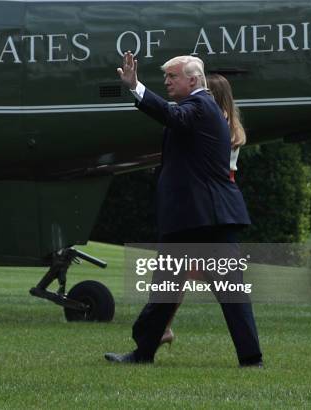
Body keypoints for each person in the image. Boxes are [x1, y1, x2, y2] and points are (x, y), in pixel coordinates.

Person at [104, 53, 263, 367]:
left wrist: (136, 87)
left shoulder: (200, 106)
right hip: (198, 217)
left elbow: (170, 116)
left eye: (172, 77)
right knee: (168, 289)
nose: (166, 82)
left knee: (226, 293)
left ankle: (250, 358)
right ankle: (144, 352)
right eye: (165, 77)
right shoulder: (200, 108)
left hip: (206, 219)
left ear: (193, 80)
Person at [160, 73, 247, 346]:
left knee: (179, 275)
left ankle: (162, 328)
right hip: (219, 207)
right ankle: (161, 329)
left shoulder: (210, 122)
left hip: (204, 208)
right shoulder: (232, 127)